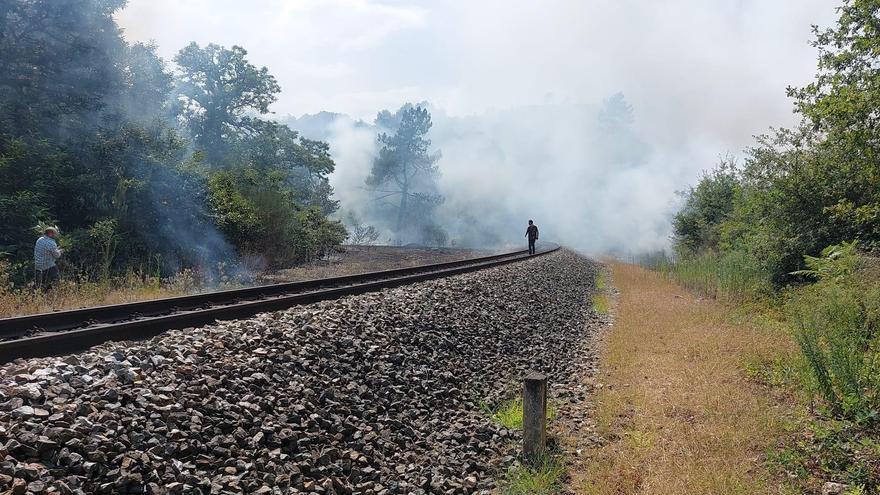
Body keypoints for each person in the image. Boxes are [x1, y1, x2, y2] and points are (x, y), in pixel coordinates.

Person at [34, 226, 62, 291]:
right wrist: (60, 251)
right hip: (48, 265)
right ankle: (53, 294)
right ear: (50, 233)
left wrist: (56, 249)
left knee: (40, 285)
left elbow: (46, 251)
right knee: (56, 281)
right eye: (54, 233)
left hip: (38, 266)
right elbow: (57, 255)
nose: (55, 235)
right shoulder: (51, 243)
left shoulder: (39, 239)